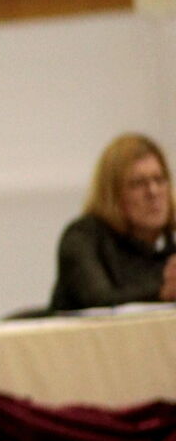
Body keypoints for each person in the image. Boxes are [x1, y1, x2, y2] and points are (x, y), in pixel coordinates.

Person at [49, 134, 176, 312]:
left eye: (159, 180)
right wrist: (162, 293)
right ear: (112, 193)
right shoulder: (83, 237)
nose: (153, 192)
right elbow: (98, 300)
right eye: (138, 183)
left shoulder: (170, 242)